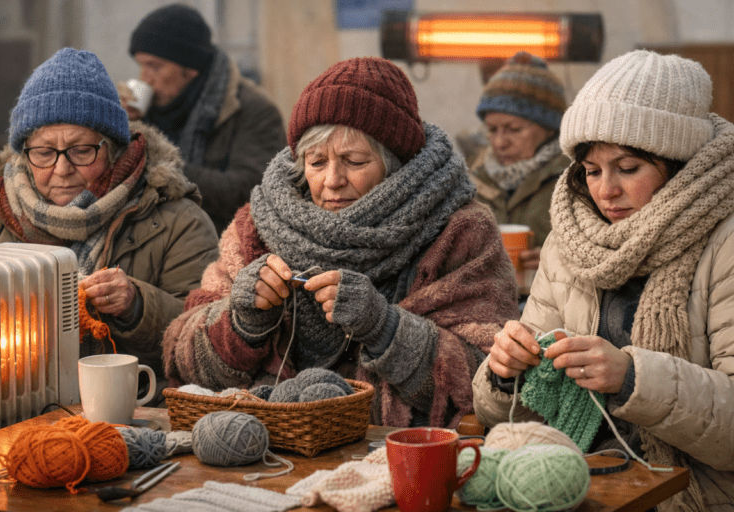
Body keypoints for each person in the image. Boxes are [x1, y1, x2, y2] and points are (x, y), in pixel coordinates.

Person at [163, 57, 519, 428]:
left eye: (353, 160)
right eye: (317, 163)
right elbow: (181, 356)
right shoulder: (256, 229)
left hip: (393, 454)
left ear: (394, 163)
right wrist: (241, 323)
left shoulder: (460, 232)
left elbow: (491, 378)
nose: (332, 180)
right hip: (267, 446)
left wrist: (386, 327)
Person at [472, 49, 734, 511]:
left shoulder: (724, 244)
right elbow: (513, 414)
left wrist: (632, 378)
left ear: (680, 165)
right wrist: (505, 374)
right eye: (591, 171)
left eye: (628, 168)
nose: (605, 191)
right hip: (583, 488)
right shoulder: (570, 241)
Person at [0, 48, 219, 401]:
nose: (61, 168)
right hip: (11, 406)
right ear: (22, 153)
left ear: (113, 148)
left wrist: (137, 306)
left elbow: (213, 336)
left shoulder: (178, 220)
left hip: (135, 411)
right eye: (43, 152)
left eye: (81, 150)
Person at [122, 3, 287, 235]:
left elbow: (250, 191)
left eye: (155, 67)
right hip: (153, 237)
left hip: (222, 244)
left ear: (190, 68)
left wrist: (158, 165)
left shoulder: (253, 110)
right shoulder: (149, 109)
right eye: (141, 66)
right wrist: (125, 128)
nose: (144, 78)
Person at [471, 51, 570, 271]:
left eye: (513, 129)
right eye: (492, 130)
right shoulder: (472, 178)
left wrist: (565, 261)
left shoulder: (576, 178)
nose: (499, 143)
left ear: (549, 129)